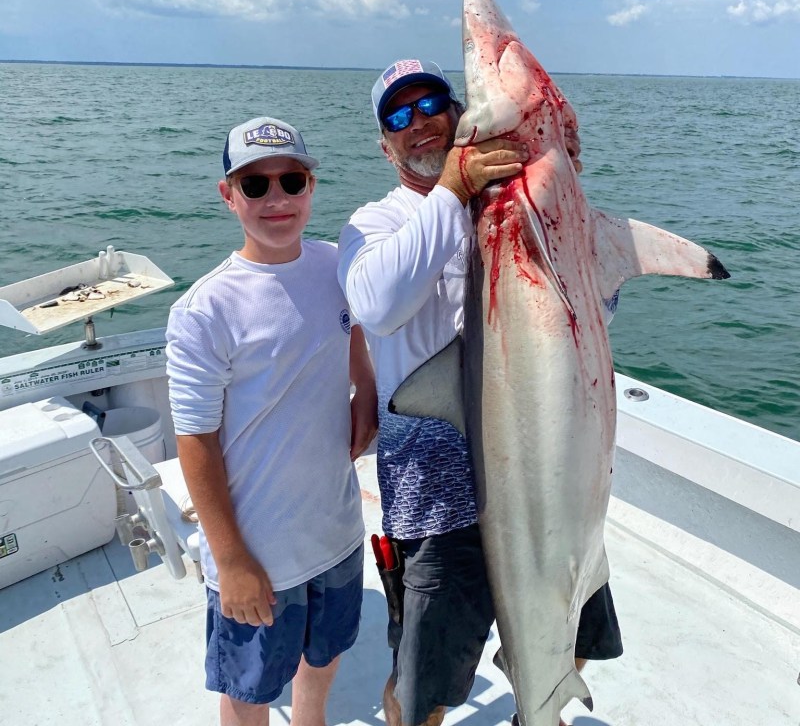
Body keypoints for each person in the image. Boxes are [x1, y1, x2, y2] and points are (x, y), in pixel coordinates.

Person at [337, 61, 622, 726]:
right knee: (421, 686)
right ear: (385, 145)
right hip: (436, 500)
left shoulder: (509, 204)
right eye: (398, 117)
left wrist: (565, 204)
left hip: (543, 488)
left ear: (460, 112)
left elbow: (583, 324)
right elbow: (377, 305)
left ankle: (538, 710)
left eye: (433, 102)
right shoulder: (374, 223)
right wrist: (451, 190)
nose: (419, 121)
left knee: (571, 636)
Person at [166, 116, 378, 726]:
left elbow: (356, 322)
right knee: (248, 691)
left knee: (325, 653)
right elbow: (195, 440)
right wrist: (231, 561)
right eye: (254, 186)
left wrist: (364, 385)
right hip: (259, 552)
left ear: (312, 185)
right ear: (228, 195)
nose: (276, 198)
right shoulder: (204, 310)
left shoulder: (338, 264)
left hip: (336, 531)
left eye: (291, 180)